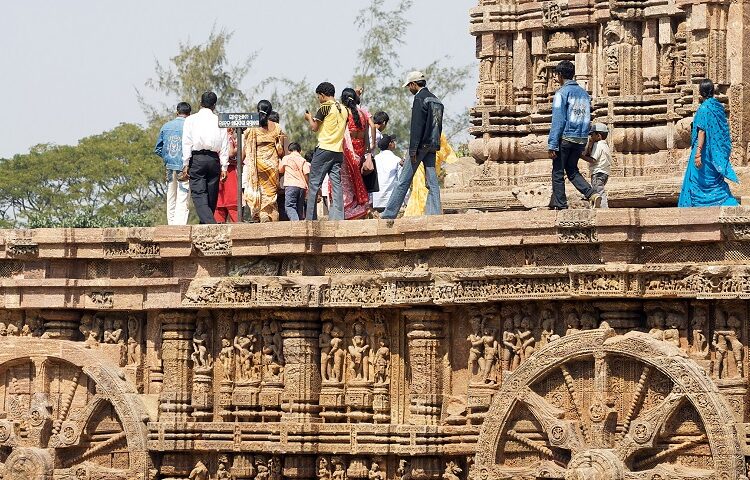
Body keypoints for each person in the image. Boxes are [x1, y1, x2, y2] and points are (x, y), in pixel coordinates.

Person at [381, 71, 443, 219]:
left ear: (414, 84)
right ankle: (434, 214)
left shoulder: (419, 99)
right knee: (432, 181)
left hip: (420, 145)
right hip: (432, 144)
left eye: (409, 86)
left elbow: (417, 126)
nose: (409, 89)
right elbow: (437, 126)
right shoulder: (436, 100)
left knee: (403, 180)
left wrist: (413, 148)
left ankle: (389, 214)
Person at [547, 60, 600, 209]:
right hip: (580, 139)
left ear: (559, 75)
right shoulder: (584, 94)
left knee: (558, 172)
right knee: (572, 170)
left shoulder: (561, 93)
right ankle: (592, 194)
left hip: (565, 138)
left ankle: (561, 205)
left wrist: (552, 144)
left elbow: (558, 120)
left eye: (556, 75)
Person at [678, 79, 739, 207]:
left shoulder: (704, 109)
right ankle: (724, 200)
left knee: (698, 179)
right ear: (712, 91)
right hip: (713, 152)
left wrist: (698, 153)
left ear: (701, 93)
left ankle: (698, 207)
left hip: (704, 151)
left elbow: (702, 131)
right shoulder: (717, 107)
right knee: (714, 180)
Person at [181, 92, 229, 224]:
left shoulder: (190, 120)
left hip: (197, 159)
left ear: (200, 103)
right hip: (214, 159)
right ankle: (206, 223)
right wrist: (224, 166)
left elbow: (186, 142)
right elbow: (225, 144)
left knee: (199, 193)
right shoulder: (219, 120)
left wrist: (185, 164)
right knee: (211, 193)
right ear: (214, 105)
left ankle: (209, 223)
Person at [305, 82, 348, 221]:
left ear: (322, 95)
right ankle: (338, 218)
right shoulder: (343, 109)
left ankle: (310, 219)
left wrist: (309, 118)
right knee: (336, 184)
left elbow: (314, 127)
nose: (319, 99)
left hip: (324, 148)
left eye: (318, 97)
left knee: (314, 183)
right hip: (338, 150)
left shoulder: (324, 107)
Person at [242, 100, 286, 222]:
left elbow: (246, 147)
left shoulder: (252, 128)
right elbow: (281, 152)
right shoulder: (277, 127)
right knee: (270, 193)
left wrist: (240, 162)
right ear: (270, 111)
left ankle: (263, 215)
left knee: (259, 191)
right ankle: (270, 215)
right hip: (272, 165)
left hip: (258, 165)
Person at [155, 102, 192, 225]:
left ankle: (171, 223)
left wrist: (166, 158)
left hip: (169, 166)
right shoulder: (189, 126)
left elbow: (158, 149)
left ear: (177, 112)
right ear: (189, 114)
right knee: (183, 195)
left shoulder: (166, 126)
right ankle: (180, 224)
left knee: (171, 194)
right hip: (184, 166)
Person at [339, 88, 373, 220]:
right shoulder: (363, 114)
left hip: (348, 152)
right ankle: (361, 208)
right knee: (356, 180)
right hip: (359, 152)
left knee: (346, 182)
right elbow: (367, 134)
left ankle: (351, 211)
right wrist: (368, 151)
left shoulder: (344, 113)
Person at [404, 134, 458, 216]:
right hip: (427, 159)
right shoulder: (436, 129)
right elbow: (444, 151)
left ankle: (424, 211)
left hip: (424, 157)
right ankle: (428, 211)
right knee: (424, 186)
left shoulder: (426, 128)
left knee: (424, 186)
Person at [581, 123, 611, 209]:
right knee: (596, 190)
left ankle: (604, 209)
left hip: (598, 172)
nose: (591, 137)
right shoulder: (605, 145)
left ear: (599, 135)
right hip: (605, 173)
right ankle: (597, 207)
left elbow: (593, 159)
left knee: (599, 191)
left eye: (592, 134)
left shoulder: (599, 145)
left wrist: (580, 156)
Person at [279, 142, 310, 220]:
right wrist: (308, 186)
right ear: (300, 151)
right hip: (302, 187)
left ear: (289, 151)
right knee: (299, 208)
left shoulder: (286, 158)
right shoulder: (303, 160)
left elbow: (280, 170)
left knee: (289, 206)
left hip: (291, 185)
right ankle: (300, 227)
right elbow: (306, 174)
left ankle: (296, 223)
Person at [372, 135, 402, 213]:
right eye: (393, 141)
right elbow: (401, 181)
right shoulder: (397, 160)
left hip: (376, 200)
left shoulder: (375, 159)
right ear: (390, 144)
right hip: (390, 200)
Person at [214, 127, 239, 223]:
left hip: (218, 170)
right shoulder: (228, 137)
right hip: (228, 171)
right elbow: (230, 152)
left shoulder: (217, 137)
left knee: (219, 201)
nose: (231, 130)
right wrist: (239, 147)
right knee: (231, 201)